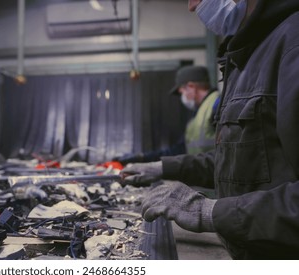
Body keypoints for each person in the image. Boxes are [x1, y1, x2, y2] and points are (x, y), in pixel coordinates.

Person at [122, 0, 299, 259]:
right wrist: (162, 167)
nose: (192, 7)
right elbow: (237, 162)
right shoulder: (247, 55)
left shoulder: (291, 43)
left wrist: (209, 211)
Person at [114, 66, 220, 165]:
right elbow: (178, 150)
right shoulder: (198, 114)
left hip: (214, 178)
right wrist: (142, 157)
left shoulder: (217, 104)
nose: (182, 97)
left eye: (182, 92)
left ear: (191, 86)